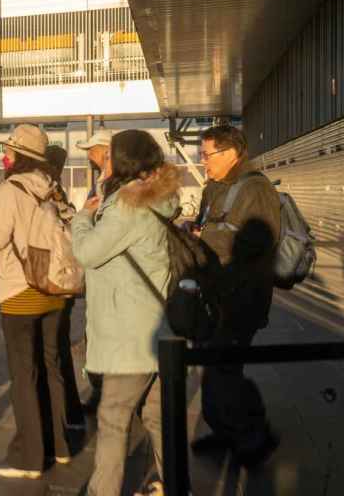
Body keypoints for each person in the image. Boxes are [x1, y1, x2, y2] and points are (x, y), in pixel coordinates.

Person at [71, 130, 180, 496]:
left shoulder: (128, 206)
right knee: (155, 416)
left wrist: (81, 219)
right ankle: (177, 485)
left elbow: (88, 252)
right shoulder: (150, 200)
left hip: (128, 335)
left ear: (124, 161)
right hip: (150, 327)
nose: (103, 162)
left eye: (108, 157)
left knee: (113, 419)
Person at [0, 125, 72, 479]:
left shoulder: (12, 189)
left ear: (19, 156)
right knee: (51, 367)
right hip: (54, 290)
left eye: (10, 151)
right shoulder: (52, 188)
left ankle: (30, 457)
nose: (6, 156)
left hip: (21, 290)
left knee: (23, 374)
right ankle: (60, 445)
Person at [192, 124, 281, 465]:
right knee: (215, 369)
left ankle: (253, 437)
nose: (204, 162)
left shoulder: (254, 189)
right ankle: (227, 431)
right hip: (216, 294)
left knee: (224, 371)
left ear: (230, 153)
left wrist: (204, 239)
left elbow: (260, 238)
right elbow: (215, 227)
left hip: (241, 298)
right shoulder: (215, 187)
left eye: (207, 154)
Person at [43, 144, 86, 431]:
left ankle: (65, 414)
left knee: (53, 349)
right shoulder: (58, 191)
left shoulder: (50, 192)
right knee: (57, 346)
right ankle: (70, 410)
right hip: (66, 279)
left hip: (55, 280)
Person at [76, 130, 113, 200]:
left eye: (92, 151)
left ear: (106, 152)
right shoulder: (101, 180)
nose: (89, 156)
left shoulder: (115, 182)